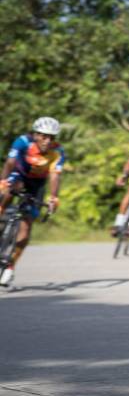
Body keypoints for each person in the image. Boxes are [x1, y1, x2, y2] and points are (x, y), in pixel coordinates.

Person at [0, 117, 65, 287]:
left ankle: (10, 267)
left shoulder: (58, 151)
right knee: (9, 188)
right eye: (43, 136)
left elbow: (55, 175)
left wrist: (53, 197)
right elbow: (10, 162)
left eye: (51, 137)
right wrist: (3, 181)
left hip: (36, 186)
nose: (47, 141)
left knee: (26, 227)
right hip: (18, 176)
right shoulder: (23, 141)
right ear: (35, 134)